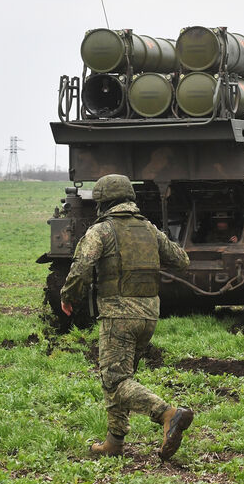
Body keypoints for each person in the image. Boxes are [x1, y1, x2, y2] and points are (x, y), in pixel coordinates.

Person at [60, 174, 193, 460]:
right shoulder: (149, 229)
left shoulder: (102, 230)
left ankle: (168, 414)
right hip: (149, 315)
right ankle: (114, 442)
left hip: (118, 315)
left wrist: (68, 296)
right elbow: (181, 260)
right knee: (121, 377)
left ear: (103, 203)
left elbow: (82, 265)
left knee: (115, 380)